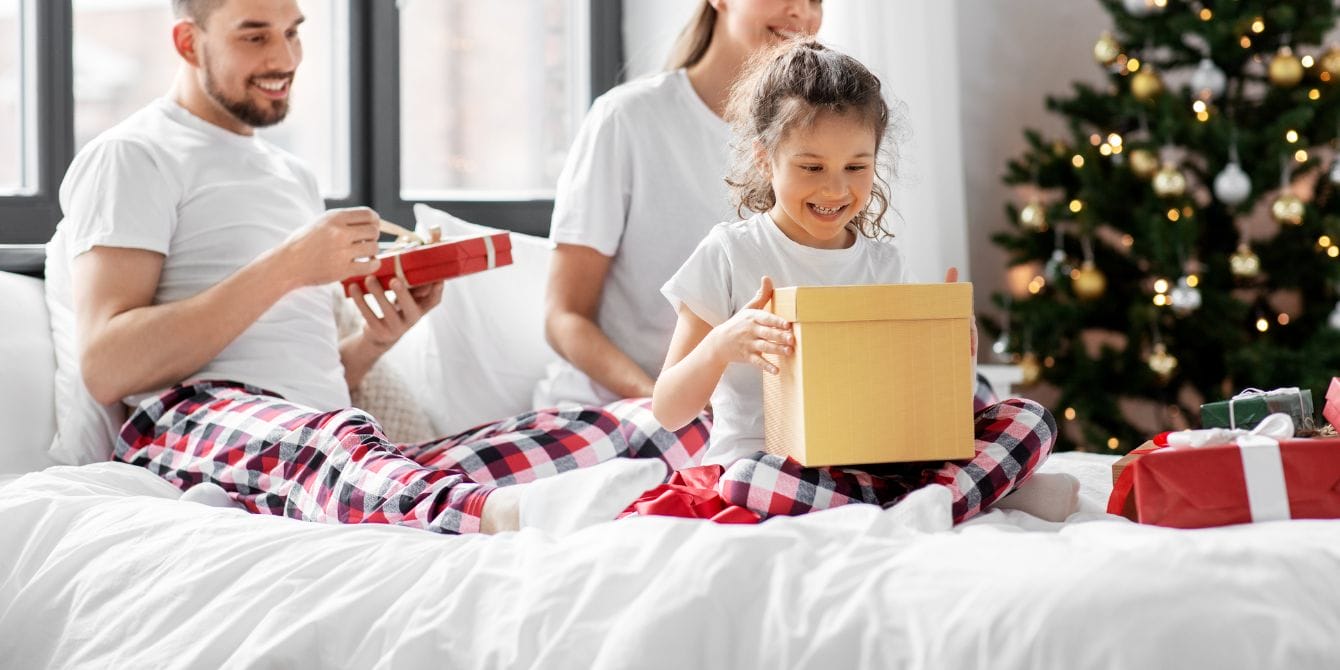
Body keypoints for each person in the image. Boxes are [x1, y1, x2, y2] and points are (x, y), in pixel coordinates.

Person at [48, 0, 707, 536]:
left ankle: (489, 504)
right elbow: (107, 364)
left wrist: (375, 342)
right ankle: (497, 516)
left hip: (328, 440)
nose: (284, 59)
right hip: (197, 425)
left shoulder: (289, 174)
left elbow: (304, 377)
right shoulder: (134, 155)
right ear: (189, 43)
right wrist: (289, 267)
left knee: (639, 423)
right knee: (330, 443)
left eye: (293, 32)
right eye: (255, 37)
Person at [651, 40, 1076, 525]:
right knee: (746, 481)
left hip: (881, 462)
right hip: (773, 466)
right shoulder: (728, 253)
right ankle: (944, 501)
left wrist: (954, 353)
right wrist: (722, 345)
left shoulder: (885, 266)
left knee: (1031, 419)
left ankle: (911, 501)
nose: (835, 189)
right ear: (765, 159)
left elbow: (921, 412)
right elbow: (667, 409)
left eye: (856, 167)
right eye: (811, 167)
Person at [538, 0, 823, 410]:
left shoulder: (817, 138)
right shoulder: (628, 119)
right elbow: (564, 317)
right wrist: (663, 400)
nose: (802, 12)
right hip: (620, 407)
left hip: (747, 422)